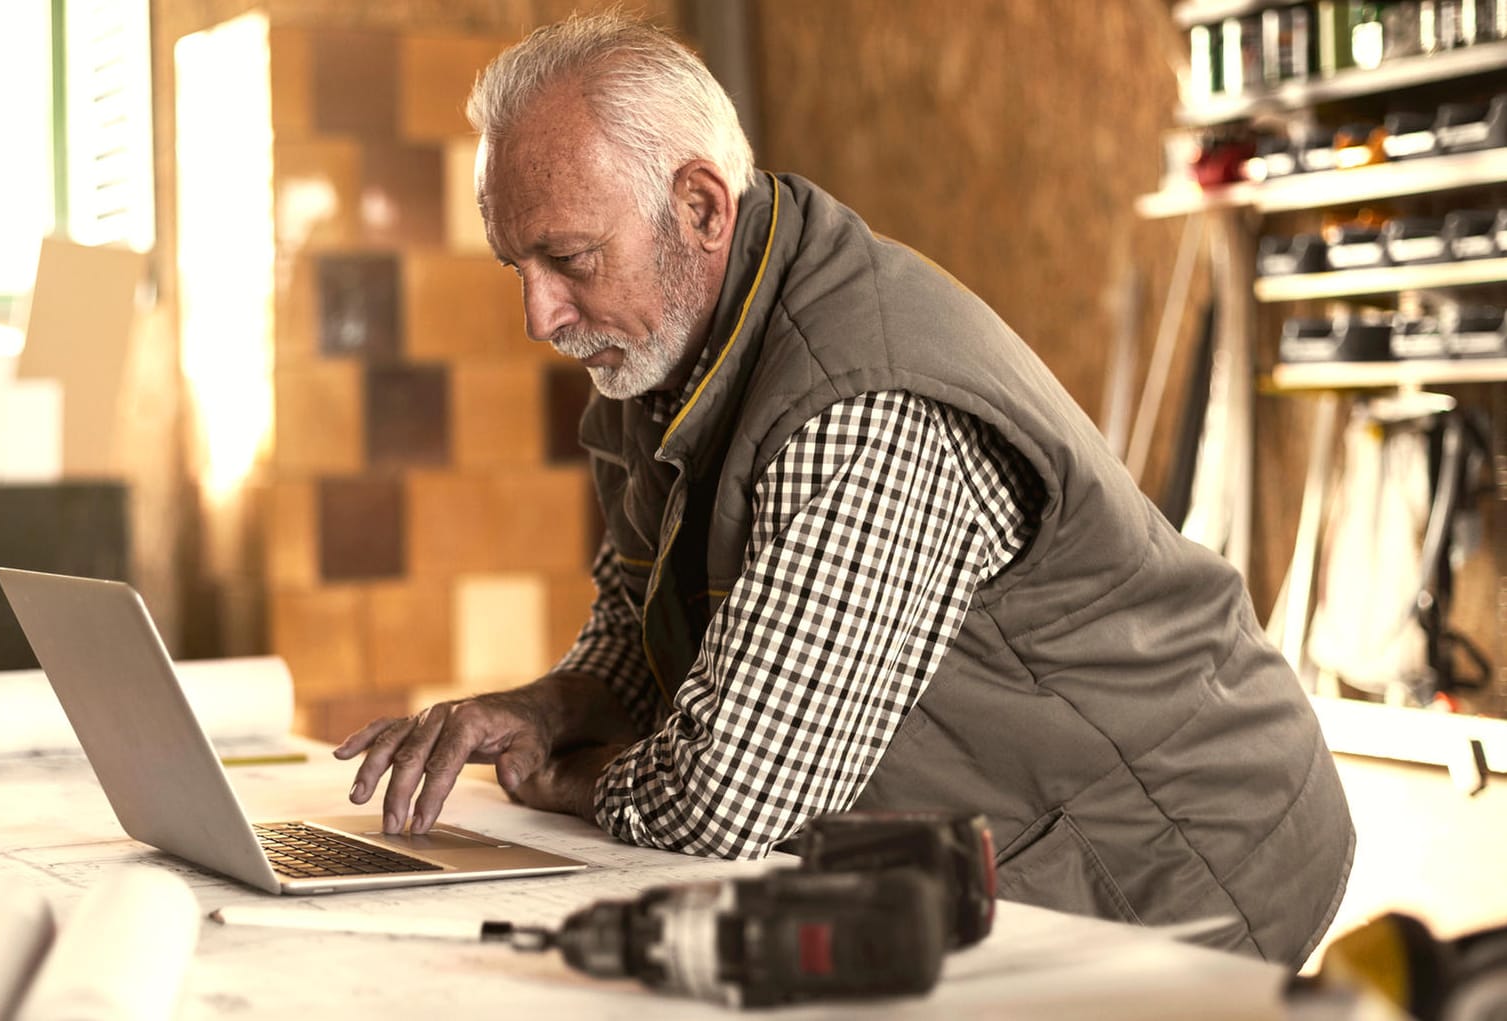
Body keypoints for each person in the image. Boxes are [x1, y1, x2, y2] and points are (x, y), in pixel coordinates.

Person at [333, 12, 1353, 968]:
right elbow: (643, 626)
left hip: (1185, 850)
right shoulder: (660, 355)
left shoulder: (858, 405)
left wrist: (575, 780)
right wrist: (546, 709)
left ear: (698, 207)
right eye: (517, 264)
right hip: (1014, 833)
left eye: (567, 258)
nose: (539, 316)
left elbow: (729, 803)